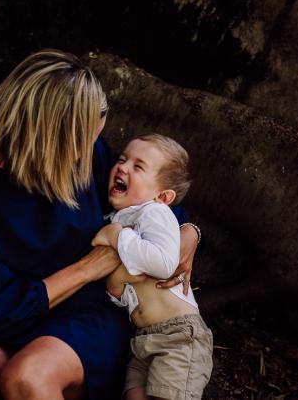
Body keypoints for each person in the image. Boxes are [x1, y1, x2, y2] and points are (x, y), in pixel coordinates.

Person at [0, 49, 201, 400]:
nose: (89, 151)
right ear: (46, 134)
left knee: (29, 377)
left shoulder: (87, 155)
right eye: (82, 141)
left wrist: (188, 235)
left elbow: (150, 205)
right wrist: (86, 268)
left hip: (81, 317)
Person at [91, 134, 212, 400]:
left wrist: (117, 236)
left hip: (178, 335)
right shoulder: (121, 218)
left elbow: (165, 263)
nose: (122, 167)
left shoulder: (154, 213)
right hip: (144, 336)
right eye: (122, 159)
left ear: (163, 196)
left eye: (138, 166)